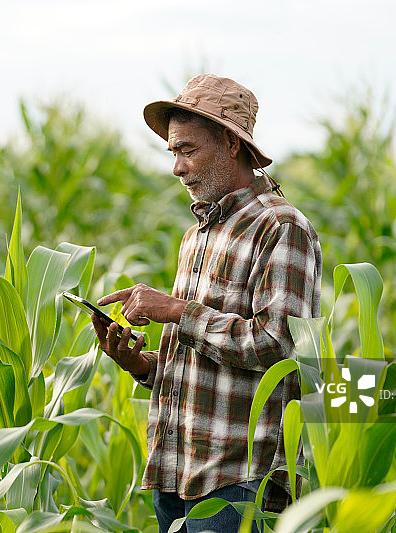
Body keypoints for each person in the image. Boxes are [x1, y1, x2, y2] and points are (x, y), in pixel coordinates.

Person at [90, 74, 322, 533]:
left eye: (188, 150)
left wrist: (175, 311)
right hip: (175, 476)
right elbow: (205, 373)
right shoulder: (197, 235)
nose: (177, 167)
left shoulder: (280, 228)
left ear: (231, 144)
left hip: (238, 483)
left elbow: (277, 344)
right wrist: (139, 364)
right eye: (173, 152)